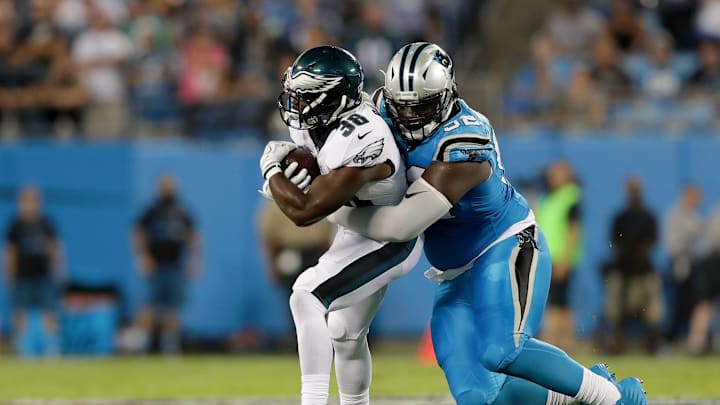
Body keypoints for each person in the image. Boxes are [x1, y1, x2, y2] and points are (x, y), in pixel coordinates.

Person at [330, 42, 646, 405]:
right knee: (478, 397)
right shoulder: (384, 111)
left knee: (502, 350)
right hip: (454, 270)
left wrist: (333, 208)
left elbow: (400, 226)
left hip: (505, 246)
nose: (408, 118)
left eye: (420, 107)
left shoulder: (464, 142)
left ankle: (614, 397)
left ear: (448, 95)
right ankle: (576, 394)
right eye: (401, 106)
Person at [259, 46, 423, 405]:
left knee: (307, 296)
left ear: (335, 96)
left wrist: (272, 170)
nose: (297, 104)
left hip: (389, 235)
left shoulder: (363, 134)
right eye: (296, 94)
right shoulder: (315, 126)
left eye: (308, 96)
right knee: (345, 334)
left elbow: (306, 212)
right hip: (356, 229)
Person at [132, 175, 199, 354]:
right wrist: (143, 257)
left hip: (175, 264)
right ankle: (143, 346)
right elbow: (138, 233)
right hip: (156, 264)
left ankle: (170, 347)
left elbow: (193, 237)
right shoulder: (152, 210)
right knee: (149, 306)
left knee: (173, 308)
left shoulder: (182, 211)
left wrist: (194, 261)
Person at [257, 200, 333, 349]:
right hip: (290, 253)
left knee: (323, 299)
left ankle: (326, 342)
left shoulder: (320, 198)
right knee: (294, 299)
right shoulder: (276, 204)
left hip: (316, 252)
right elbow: (268, 237)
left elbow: (328, 234)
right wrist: (272, 264)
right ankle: (299, 343)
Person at [603, 177, 663, 354]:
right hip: (622, 270)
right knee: (614, 305)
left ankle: (653, 344)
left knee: (654, 306)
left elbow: (651, 243)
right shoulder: (620, 218)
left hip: (644, 271)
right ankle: (616, 342)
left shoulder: (648, 217)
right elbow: (614, 243)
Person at [4, 186, 63, 355]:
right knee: (20, 313)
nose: (30, 204)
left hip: (44, 276)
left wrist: (58, 271)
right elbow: (10, 252)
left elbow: (55, 249)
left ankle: (52, 349)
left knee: (49, 312)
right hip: (22, 277)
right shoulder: (15, 225)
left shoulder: (46, 223)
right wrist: (9, 275)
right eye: (26, 200)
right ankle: (23, 350)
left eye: (34, 200)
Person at [536, 161, 582, 351]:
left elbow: (573, 231)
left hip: (559, 259)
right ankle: (562, 342)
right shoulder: (549, 198)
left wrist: (565, 259)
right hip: (548, 258)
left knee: (557, 302)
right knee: (558, 302)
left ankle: (554, 342)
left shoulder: (570, 198)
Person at [663, 184, 703, 343]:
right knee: (680, 302)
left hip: (692, 264)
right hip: (680, 263)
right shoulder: (676, 215)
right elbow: (673, 244)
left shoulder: (693, 215)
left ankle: (684, 337)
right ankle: (670, 338)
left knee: (691, 303)